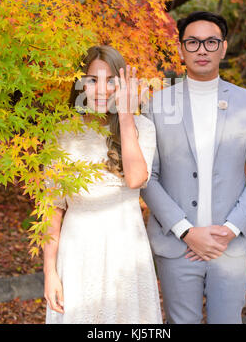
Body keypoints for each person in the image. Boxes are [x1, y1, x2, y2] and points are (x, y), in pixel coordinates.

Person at [141, 11, 246, 324]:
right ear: (181, 49)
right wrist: (186, 231)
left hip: (229, 245)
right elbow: (148, 177)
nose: (202, 49)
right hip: (175, 244)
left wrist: (230, 229)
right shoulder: (156, 104)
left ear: (223, 48)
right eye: (193, 42)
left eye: (211, 42)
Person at [43, 45, 162, 324]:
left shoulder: (141, 127)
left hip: (126, 247)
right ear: (80, 83)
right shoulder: (61, 133)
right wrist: (50, 271)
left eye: (111, 81)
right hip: (78, 249)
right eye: (92, 80)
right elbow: (52, 207)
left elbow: (136, 179)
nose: (100, 90)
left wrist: (124, 115)